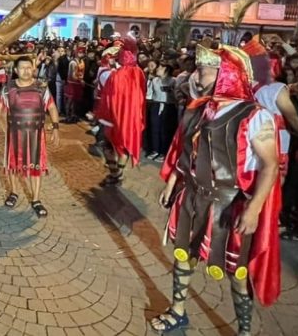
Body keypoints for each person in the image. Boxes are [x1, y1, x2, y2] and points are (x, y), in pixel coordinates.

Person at [153, 44, 281, 336]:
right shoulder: (200, 108)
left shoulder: (255, 115)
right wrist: (172, 182)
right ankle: (178, 312)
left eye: (205, 70)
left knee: (237, 272)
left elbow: (270, 166)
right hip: (192, 197)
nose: (197, 75)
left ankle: (244, 331)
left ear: (228, 74)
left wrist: (254, 208)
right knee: (183, 255)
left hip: (229, 204)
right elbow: (186, 151)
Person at [0, 56, 60, 217]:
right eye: (22, 68)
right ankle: (13, 192)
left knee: (35, 166)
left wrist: (56, 127)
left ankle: (36, 199)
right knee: (12, 164)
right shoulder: (8, 88)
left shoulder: (41, 87)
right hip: (14, 134)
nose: (26, 71)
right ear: (16, 70)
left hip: (37, 135)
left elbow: (51, 107)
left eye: (29, 67)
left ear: (33, 69)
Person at [95, 36, 146, 185]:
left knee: (107, 146)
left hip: (114, 117)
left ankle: (115, 174)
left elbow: (109, 97)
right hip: (133, 116)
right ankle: (118, 173)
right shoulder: (139, 73)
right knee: (124, 147)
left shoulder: (115, 75)